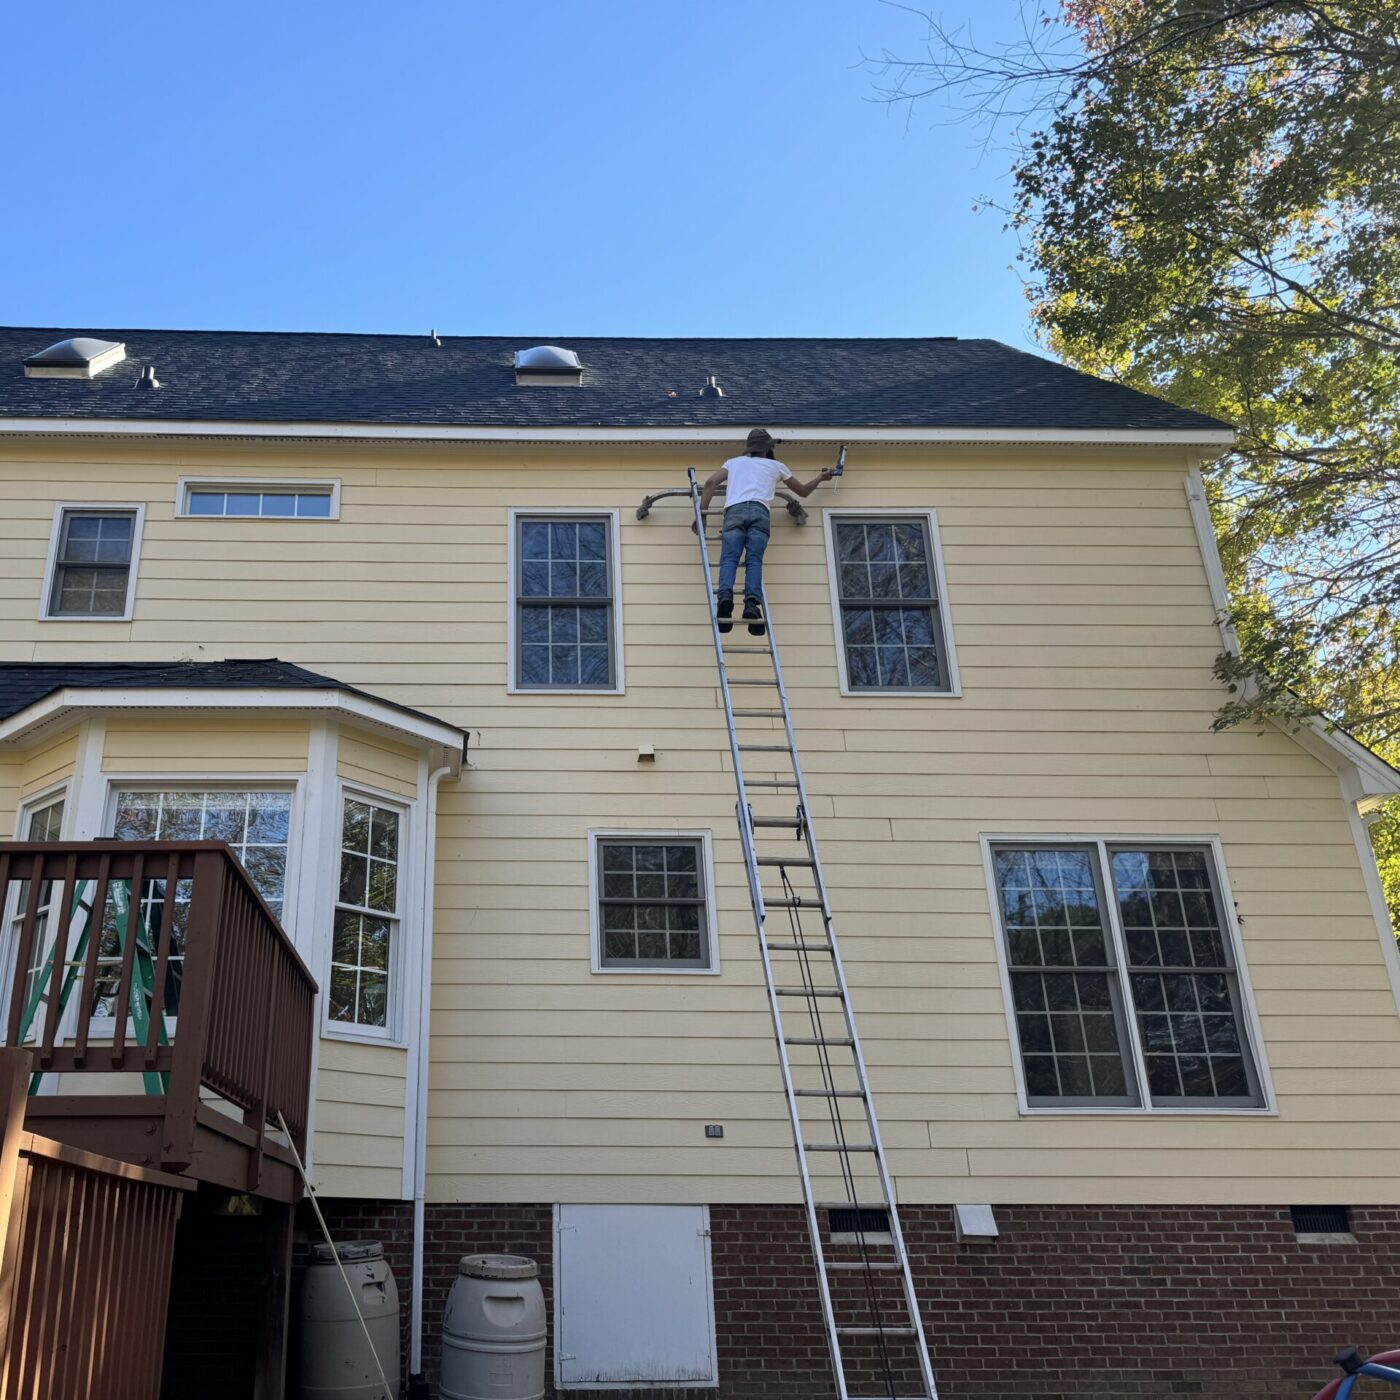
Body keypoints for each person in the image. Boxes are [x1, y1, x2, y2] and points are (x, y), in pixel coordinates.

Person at [695, 428, 836, 634]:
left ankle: (725, 598)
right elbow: (803, 491)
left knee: (729, 559)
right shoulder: (776, 466)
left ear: (749, 448)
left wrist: (702, 515)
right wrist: (821, 478)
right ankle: (751, 604)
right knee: (754, 560)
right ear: (767, 448)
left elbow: (710, 483)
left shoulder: (734, 463)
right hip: (760, 513)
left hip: (735, 512)